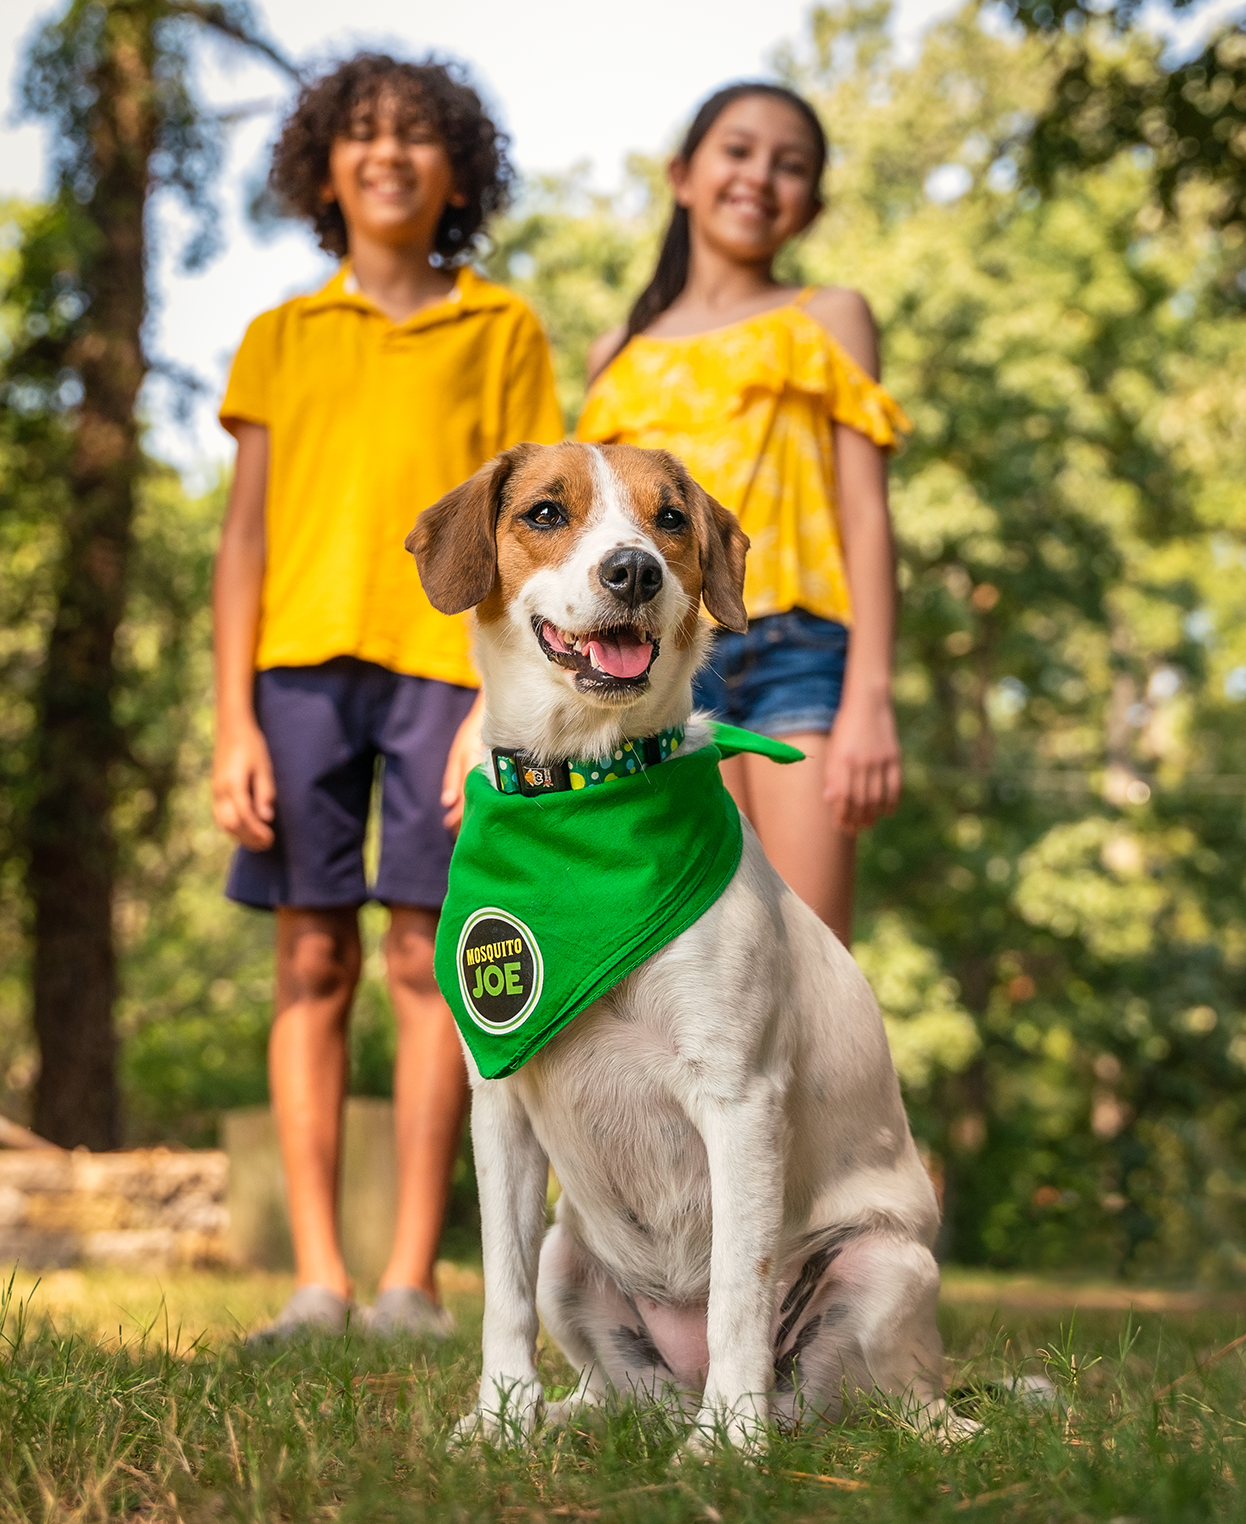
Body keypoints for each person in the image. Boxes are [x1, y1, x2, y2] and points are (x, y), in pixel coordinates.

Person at [212, 54, 563, 1341]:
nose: (389, 154)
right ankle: (318, 1279)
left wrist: (498, 701)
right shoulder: (278, 338)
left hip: (444, 677)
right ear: (325, 166)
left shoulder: (504, 331)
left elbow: (538, 538)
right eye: (361, 134)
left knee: (432, 961)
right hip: (295, 672)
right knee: (309, 958)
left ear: (455, 170)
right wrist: (229, 719)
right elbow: (242, 540)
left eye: (418, 136)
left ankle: (412, 1285)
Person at [577, 82, 908, 946]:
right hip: (659, 662)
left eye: (789, 165)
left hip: (801, 653)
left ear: (812, 204)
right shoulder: (616, 357)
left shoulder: (828, 317)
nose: (760, 175)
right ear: (683, 174)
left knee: (811, 955)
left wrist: (870, 696)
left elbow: (867, 517)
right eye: (739, 150)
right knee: (691, 953)